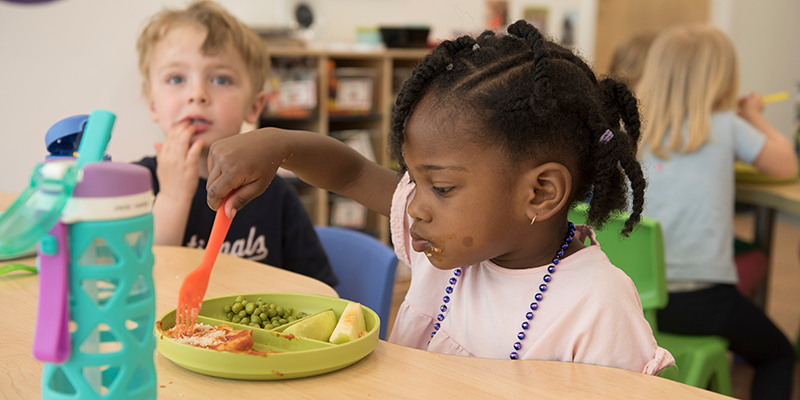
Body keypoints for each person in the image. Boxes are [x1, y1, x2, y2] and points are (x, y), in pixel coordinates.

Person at [203, 20, 675, 374]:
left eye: (442, 187)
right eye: (413, 179)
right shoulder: (450, 241)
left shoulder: (597, 307)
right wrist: (278, 144)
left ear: (541, 192)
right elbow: (349, 173)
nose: (414, 204)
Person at [637, 24, 798, 400]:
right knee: (779, 354)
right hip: (704, 303)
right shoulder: (727, 126)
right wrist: (754, 115)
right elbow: (785, 164)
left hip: (637, 304)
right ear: (722, 81)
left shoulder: (635, 131)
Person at [133, 1, 337, 287]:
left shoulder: (274, 193)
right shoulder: (132, 188)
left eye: (220, 79)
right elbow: (137, 285)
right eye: (176, 78)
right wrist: (172, 198)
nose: (198, 94)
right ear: (152, 102)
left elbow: (316, 290)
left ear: (254, 106)